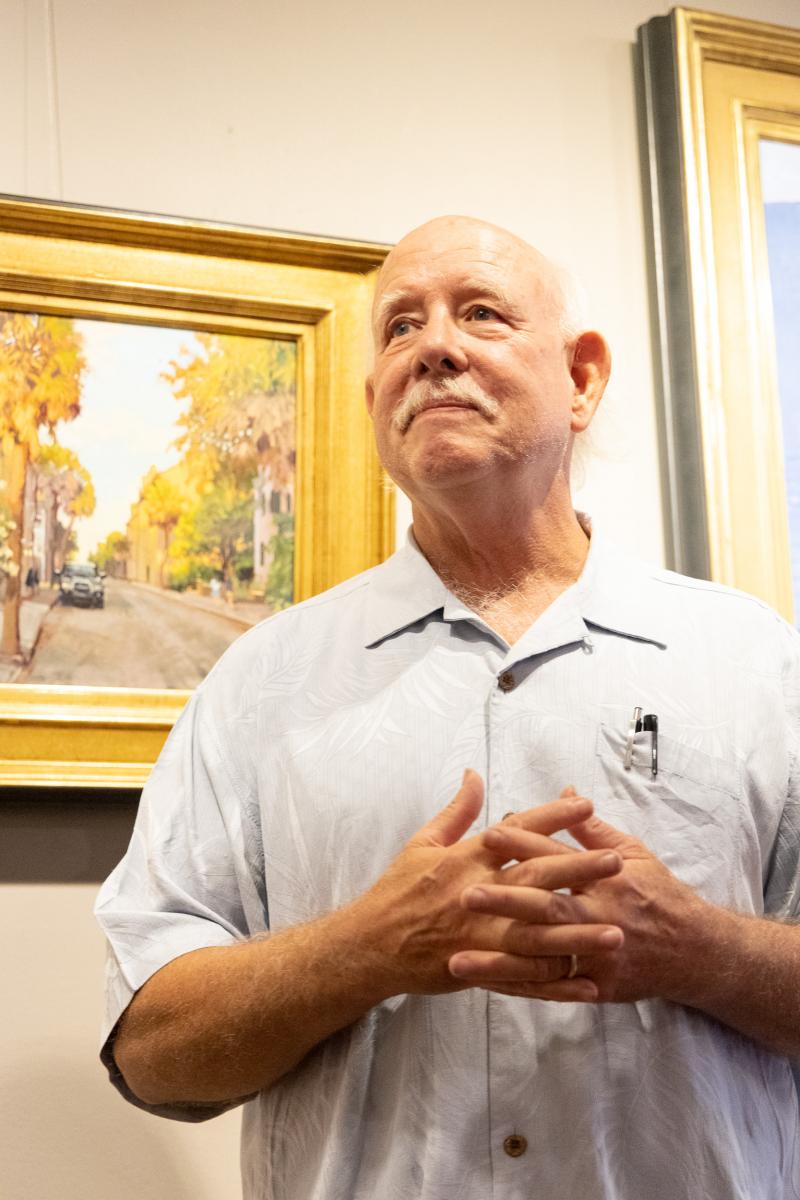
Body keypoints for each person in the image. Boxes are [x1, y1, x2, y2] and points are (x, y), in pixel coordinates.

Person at [96, 216, 800, 1199]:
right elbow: (151, 1054)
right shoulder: (258, 686)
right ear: (375, 403)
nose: (432, 347)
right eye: (399, 327)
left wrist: (701, 952)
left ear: (582, 378)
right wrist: (367, 949)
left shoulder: (755, 660)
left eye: (480, 314)